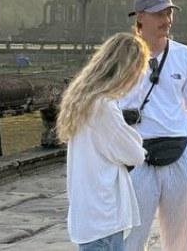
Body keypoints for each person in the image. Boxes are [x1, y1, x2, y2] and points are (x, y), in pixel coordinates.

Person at [119, 0, 187, 251]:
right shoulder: (123, 57)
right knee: (131, 237)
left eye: (169, 13)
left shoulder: (185, 56)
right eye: (159, 14)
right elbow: (109, 104)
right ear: (140, 17)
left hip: (180, 152)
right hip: (137, 154)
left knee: (180, 239)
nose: (166, 20)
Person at [60, 33, 149, 250]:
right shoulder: (104, 107)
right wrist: (134, 137)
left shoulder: (82, 99)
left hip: (87, 213)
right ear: (127, 71)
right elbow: (135, 154)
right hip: (104, 216)